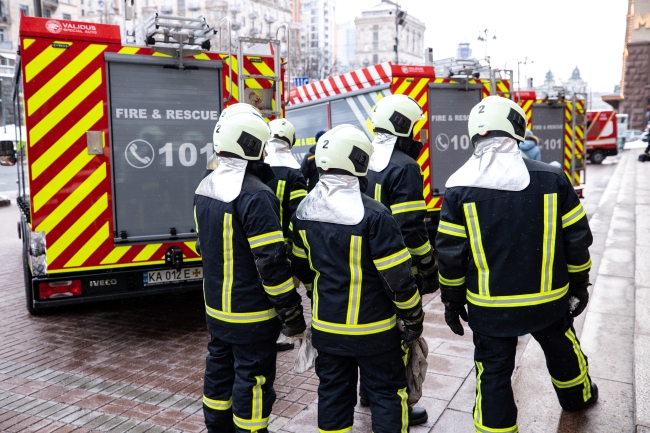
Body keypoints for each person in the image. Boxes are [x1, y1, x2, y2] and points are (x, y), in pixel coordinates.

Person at [436, 96, 597, 433]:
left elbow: (450, 256)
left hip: (490, 307)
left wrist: (452, 300)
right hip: (548, 300)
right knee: (563, 351)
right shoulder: (552, 178)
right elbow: (577, 241)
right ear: (517, 129)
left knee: (493, 372)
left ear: (474, 133)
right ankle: (578, 397)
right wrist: (579, 285)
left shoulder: (457, 189)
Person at [291, 124, 425, 433]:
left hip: (327, 330)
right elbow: (398, 280)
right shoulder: (376, 215)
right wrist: (413, 318)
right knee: (387, 395)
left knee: (333, 397)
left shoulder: (303, 212)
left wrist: (318, 292)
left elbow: (301, 267)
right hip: (375, 333)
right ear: (360, 160)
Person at [195, 109, 307, 433]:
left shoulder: (204, 187)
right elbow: (271, 265)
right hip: (252, 316)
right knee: (253, 380)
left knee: (218, 373)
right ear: (253, 145)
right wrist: (291, 313)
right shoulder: (257, 195)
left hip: (216, 311)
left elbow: (203, 247)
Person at [365, 94, 438, 297]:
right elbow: (410, 227)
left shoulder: (363, 159)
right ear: (403, 125)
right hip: (398, 269)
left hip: (368, 264)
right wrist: (428, 265)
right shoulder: (405, 166)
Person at [264, 118, 308, 352]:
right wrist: (293, 243)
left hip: (257, 242)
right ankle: (280, 333)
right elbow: (299, 213)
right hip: (282, 245)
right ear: (291, 140)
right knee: (283, 289)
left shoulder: (258, 166)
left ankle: (264, 333)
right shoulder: (294, 173)